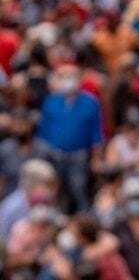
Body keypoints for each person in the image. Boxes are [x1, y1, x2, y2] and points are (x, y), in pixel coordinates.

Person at [36, 64, 103, 213]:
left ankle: (84, 221)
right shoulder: (51, 101)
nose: (68, 80)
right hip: (54, 155)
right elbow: (43, 132)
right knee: (55, 192)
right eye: (64, 76)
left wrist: (96, 158)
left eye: (72, 76)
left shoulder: (90, 102)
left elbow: (96, 134)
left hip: (78, 156)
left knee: (78, 189)